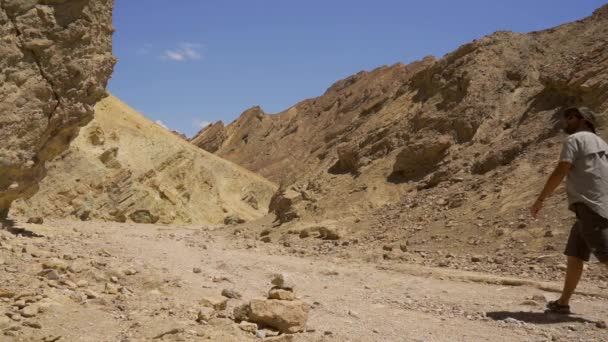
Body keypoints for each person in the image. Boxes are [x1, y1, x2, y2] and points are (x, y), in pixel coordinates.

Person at [531, 106, 608, 314]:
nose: (566, 122)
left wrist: (540, 199)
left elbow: (562, 169)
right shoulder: (602, 143)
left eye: (569, 118)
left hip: (591, 207)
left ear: (582, 120)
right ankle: (563, 303)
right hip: (594, 206)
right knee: (575, 254)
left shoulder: (575, 140)